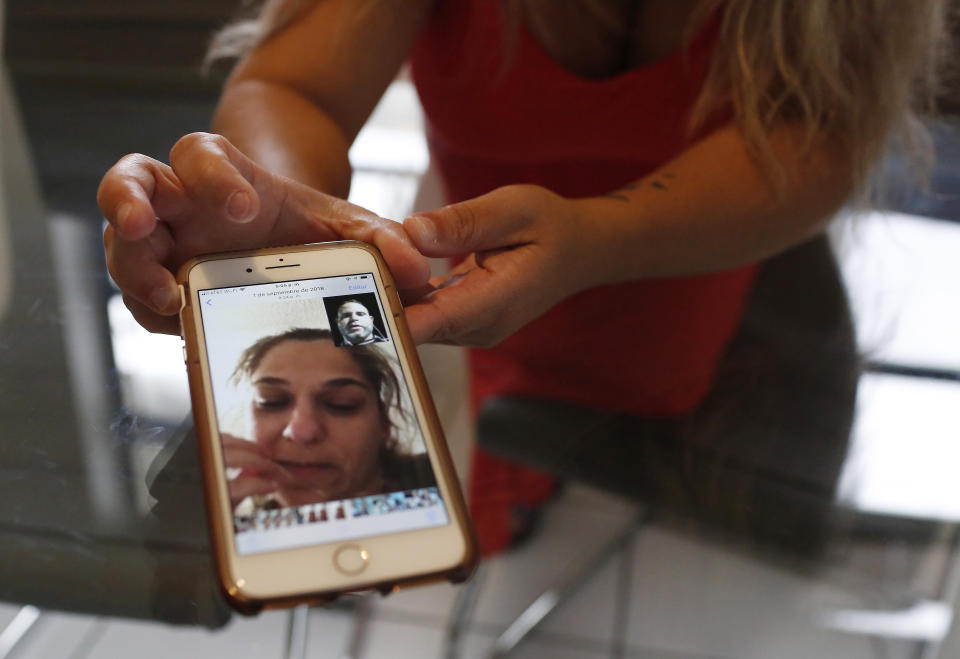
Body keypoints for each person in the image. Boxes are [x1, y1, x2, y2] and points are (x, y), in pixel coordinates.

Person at [98, 0, 949, 553]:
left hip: (711, 299)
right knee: (518, 469)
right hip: (491, 302)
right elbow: (296, 85)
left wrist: (603, 236)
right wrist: (269, 201)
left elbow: (826, 133)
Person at [223, 327, 435, 516]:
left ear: (383, 426)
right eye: (272, 402)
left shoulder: (442, 481)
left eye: (342, 404)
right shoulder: (228, 537)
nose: (303, 431)